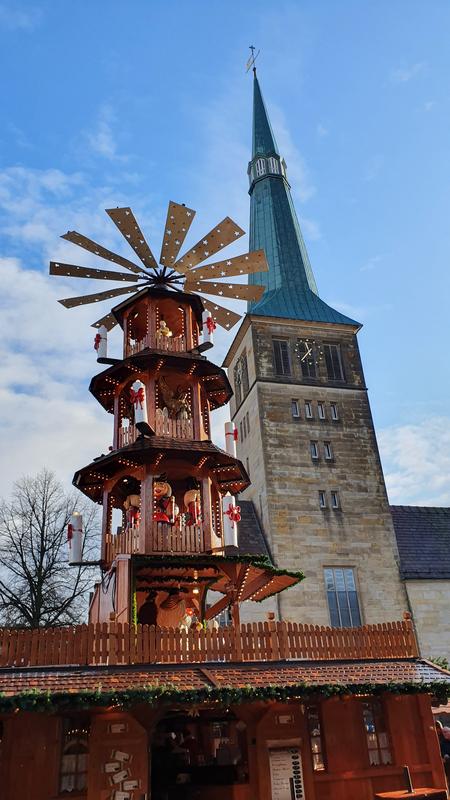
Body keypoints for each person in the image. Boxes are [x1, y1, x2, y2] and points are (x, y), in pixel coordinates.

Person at [435, 720, 450, 788]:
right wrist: (443, 755)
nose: (444, 733)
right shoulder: (442, 742)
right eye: (443, 732)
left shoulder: (444, 739)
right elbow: (442, 750)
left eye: (446, 732)